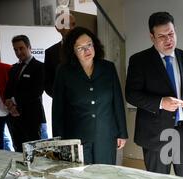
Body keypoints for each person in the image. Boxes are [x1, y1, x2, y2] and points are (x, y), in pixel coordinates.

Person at [125, 12, 183, 178]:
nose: (168, 40)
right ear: (152, 37)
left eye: (171, 34)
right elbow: (131, 94)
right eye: (161, 36)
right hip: (156, 134)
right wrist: (161, 102)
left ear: (175, 30)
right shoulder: (139, 61)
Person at [52, 27, 128, 165]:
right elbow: (58, 109)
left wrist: (122, 132)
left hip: (105, 135)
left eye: (89, 45)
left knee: (104, 177)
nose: (87, 50)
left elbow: (117, 102)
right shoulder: (64, 72)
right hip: (76, 137)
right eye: (80, 48)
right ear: (72, 51)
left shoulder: (108, 68)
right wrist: (58, 140)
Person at [5, 35, 46, 152]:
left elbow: (36, 91)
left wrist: (14, 102)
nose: (18, 52)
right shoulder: (14, 68)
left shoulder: (39, 67)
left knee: (33, 151)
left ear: (29, 48)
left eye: (21, 48)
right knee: (18, 149)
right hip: (14, 118)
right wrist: (9, 104)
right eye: (15, 49)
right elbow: (8, 90)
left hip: (31, 117)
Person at [44, 12, 76, 97]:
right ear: (58, 28)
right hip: (62, 105)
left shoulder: (87, 49)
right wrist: (60, 98)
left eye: (73, 24)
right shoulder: (50, 52)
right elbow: (48, 84)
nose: (72, 28)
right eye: (67, 25)